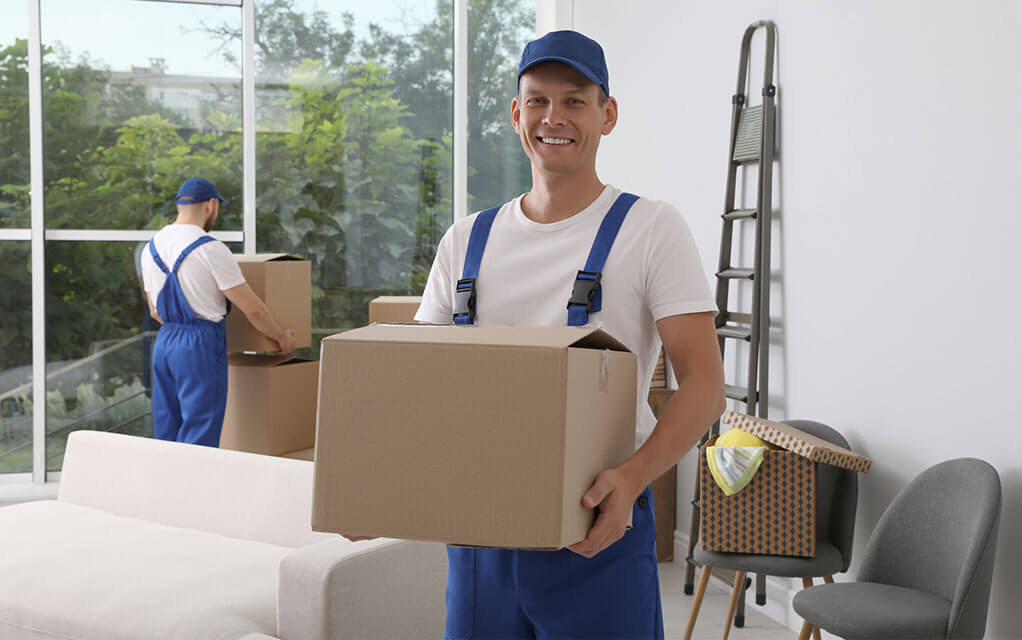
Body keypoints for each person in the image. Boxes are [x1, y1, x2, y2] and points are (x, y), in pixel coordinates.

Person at [411, 30, 726, 638]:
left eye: (575, 101)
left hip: (597, 533)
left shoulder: (650, 229)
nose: (554, 118)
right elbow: (419, 385)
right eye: (538, 101)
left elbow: (706, 387)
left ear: (608, 115)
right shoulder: (464, 241)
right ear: (516, 114)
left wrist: (632, 476)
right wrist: (384, 484)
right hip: (479, 544)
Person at [140, 177, 296, 447]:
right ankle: (196, 489)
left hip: (165, 343)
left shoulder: (150, 247)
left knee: (167, 431)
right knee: (201, 431)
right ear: (211, 205)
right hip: (198, 346)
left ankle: (166, 488)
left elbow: (155, 311)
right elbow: (253, 309)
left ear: (179, 205)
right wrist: (281, 336)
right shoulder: (210, 248)